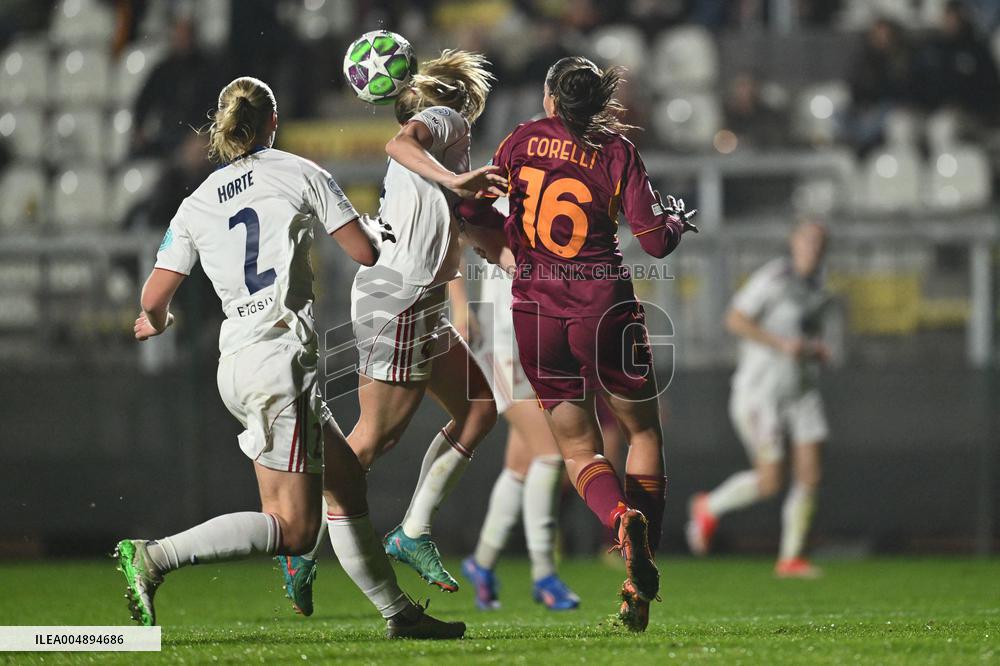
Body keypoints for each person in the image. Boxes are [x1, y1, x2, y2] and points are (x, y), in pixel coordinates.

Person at [114, 76, 464, 639]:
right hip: (278, 362)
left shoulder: (196, 201)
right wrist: (381, 230)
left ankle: (399, 615)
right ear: (273, 123)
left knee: (345, 483)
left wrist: (158, 322)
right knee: (295, 529)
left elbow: (153, 298)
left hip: (237, 360)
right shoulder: (299, 171)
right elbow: (364, 251)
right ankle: (155, 556)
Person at [458, 56, 697, 632]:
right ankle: (638, 581)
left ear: (550, 98)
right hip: (604, 305)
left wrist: (501, 247)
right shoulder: (618, 152)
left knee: (577, 450)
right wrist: (675, 222)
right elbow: (654, 242)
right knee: (642, 433)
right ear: (600, 103)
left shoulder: (520, 142)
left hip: (536, 312)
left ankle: (618, 519)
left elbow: (471, 209)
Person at [274, 51, 501, 613]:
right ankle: (302, 545)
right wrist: (458, 180)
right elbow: (399, 143)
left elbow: (460, 229)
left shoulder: (442, 154)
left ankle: (412, 532)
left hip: (414, 296)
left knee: (478, 409)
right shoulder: (446, 121)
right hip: (400, 300)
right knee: (372, 440)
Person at [686, 221, 832, 579]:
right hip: (761, 393)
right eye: (807, 240)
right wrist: (781, 344)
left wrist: (813, 350)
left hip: (801, 389)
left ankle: (791, 558)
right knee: (770, 481)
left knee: (811, 473)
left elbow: (802, 333)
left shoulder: (817, 287)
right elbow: (735, 319)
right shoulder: (774, 278)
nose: (813, 248)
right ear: (794, 242)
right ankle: (708, 507)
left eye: (819, 242)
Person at [455, 215, 580, 611]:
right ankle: (544, 573)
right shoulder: (495, 192)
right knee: (551, 454)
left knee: (521, 466)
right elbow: (452, 236)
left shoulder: (548, 191)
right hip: (502, 342)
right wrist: (459, 305)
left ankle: (482, 563)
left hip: (539, 339)